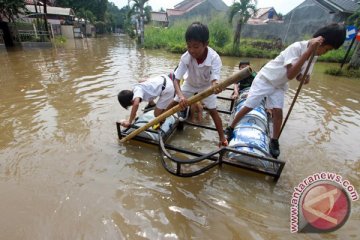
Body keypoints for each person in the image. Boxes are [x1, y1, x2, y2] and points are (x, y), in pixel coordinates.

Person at [224, 23, 346, 158]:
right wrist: (308, 51)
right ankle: (231, 128)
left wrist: (304, 78)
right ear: (321, 41)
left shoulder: (314, 57)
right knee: (250, 105)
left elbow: (298, 76)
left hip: (279, 84)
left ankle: (274, 141)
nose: (324, 53)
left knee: (278, 111)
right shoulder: (297, 47)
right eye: (327, 49)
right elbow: (290, 74)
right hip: (266, 78)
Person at [166, 21, 227, 147]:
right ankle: (160, 123)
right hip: (190, 83)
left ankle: (222, 138)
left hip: (207, 86)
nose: (191, 50)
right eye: (188, 46)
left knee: (213, 111)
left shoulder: (215, 58)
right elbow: (176, 80)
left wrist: (216, 86)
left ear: (206, 44)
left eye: (195, 46)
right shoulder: (185, 57)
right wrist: (181, 96)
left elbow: (215, 79)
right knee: (174, 102)